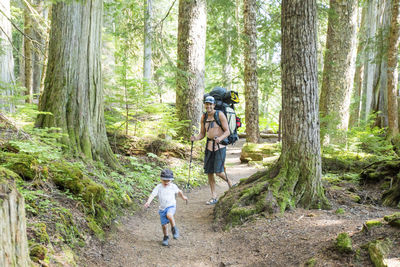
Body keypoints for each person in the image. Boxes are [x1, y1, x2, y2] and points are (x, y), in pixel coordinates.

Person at [190, 95, 233, 205]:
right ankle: (214, 196)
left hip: (220, 146)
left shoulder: (220, 115)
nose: (208, 106)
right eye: (207, 104)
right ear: (204, 105)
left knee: (218, 172)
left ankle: (231, 185)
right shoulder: (203, 117)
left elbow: (227, 131)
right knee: (209, 172)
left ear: (214, 105)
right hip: (209, 147)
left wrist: (220, 138)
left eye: (210, 104)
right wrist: (195, 138)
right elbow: (202, 134)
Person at [144, 168, 188, 246]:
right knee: (164, 226)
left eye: (168, 181)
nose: (166, 182)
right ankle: (166, 237)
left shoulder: (173, 186)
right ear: (161, 179)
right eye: (164, 180)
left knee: (169, 215)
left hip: (171, 205)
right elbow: (153, 194)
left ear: (171, 180)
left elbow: (179, 192)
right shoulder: (159, 187)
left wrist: (183, 197)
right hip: (162, 208)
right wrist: (148, 202)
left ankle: (174, 229)